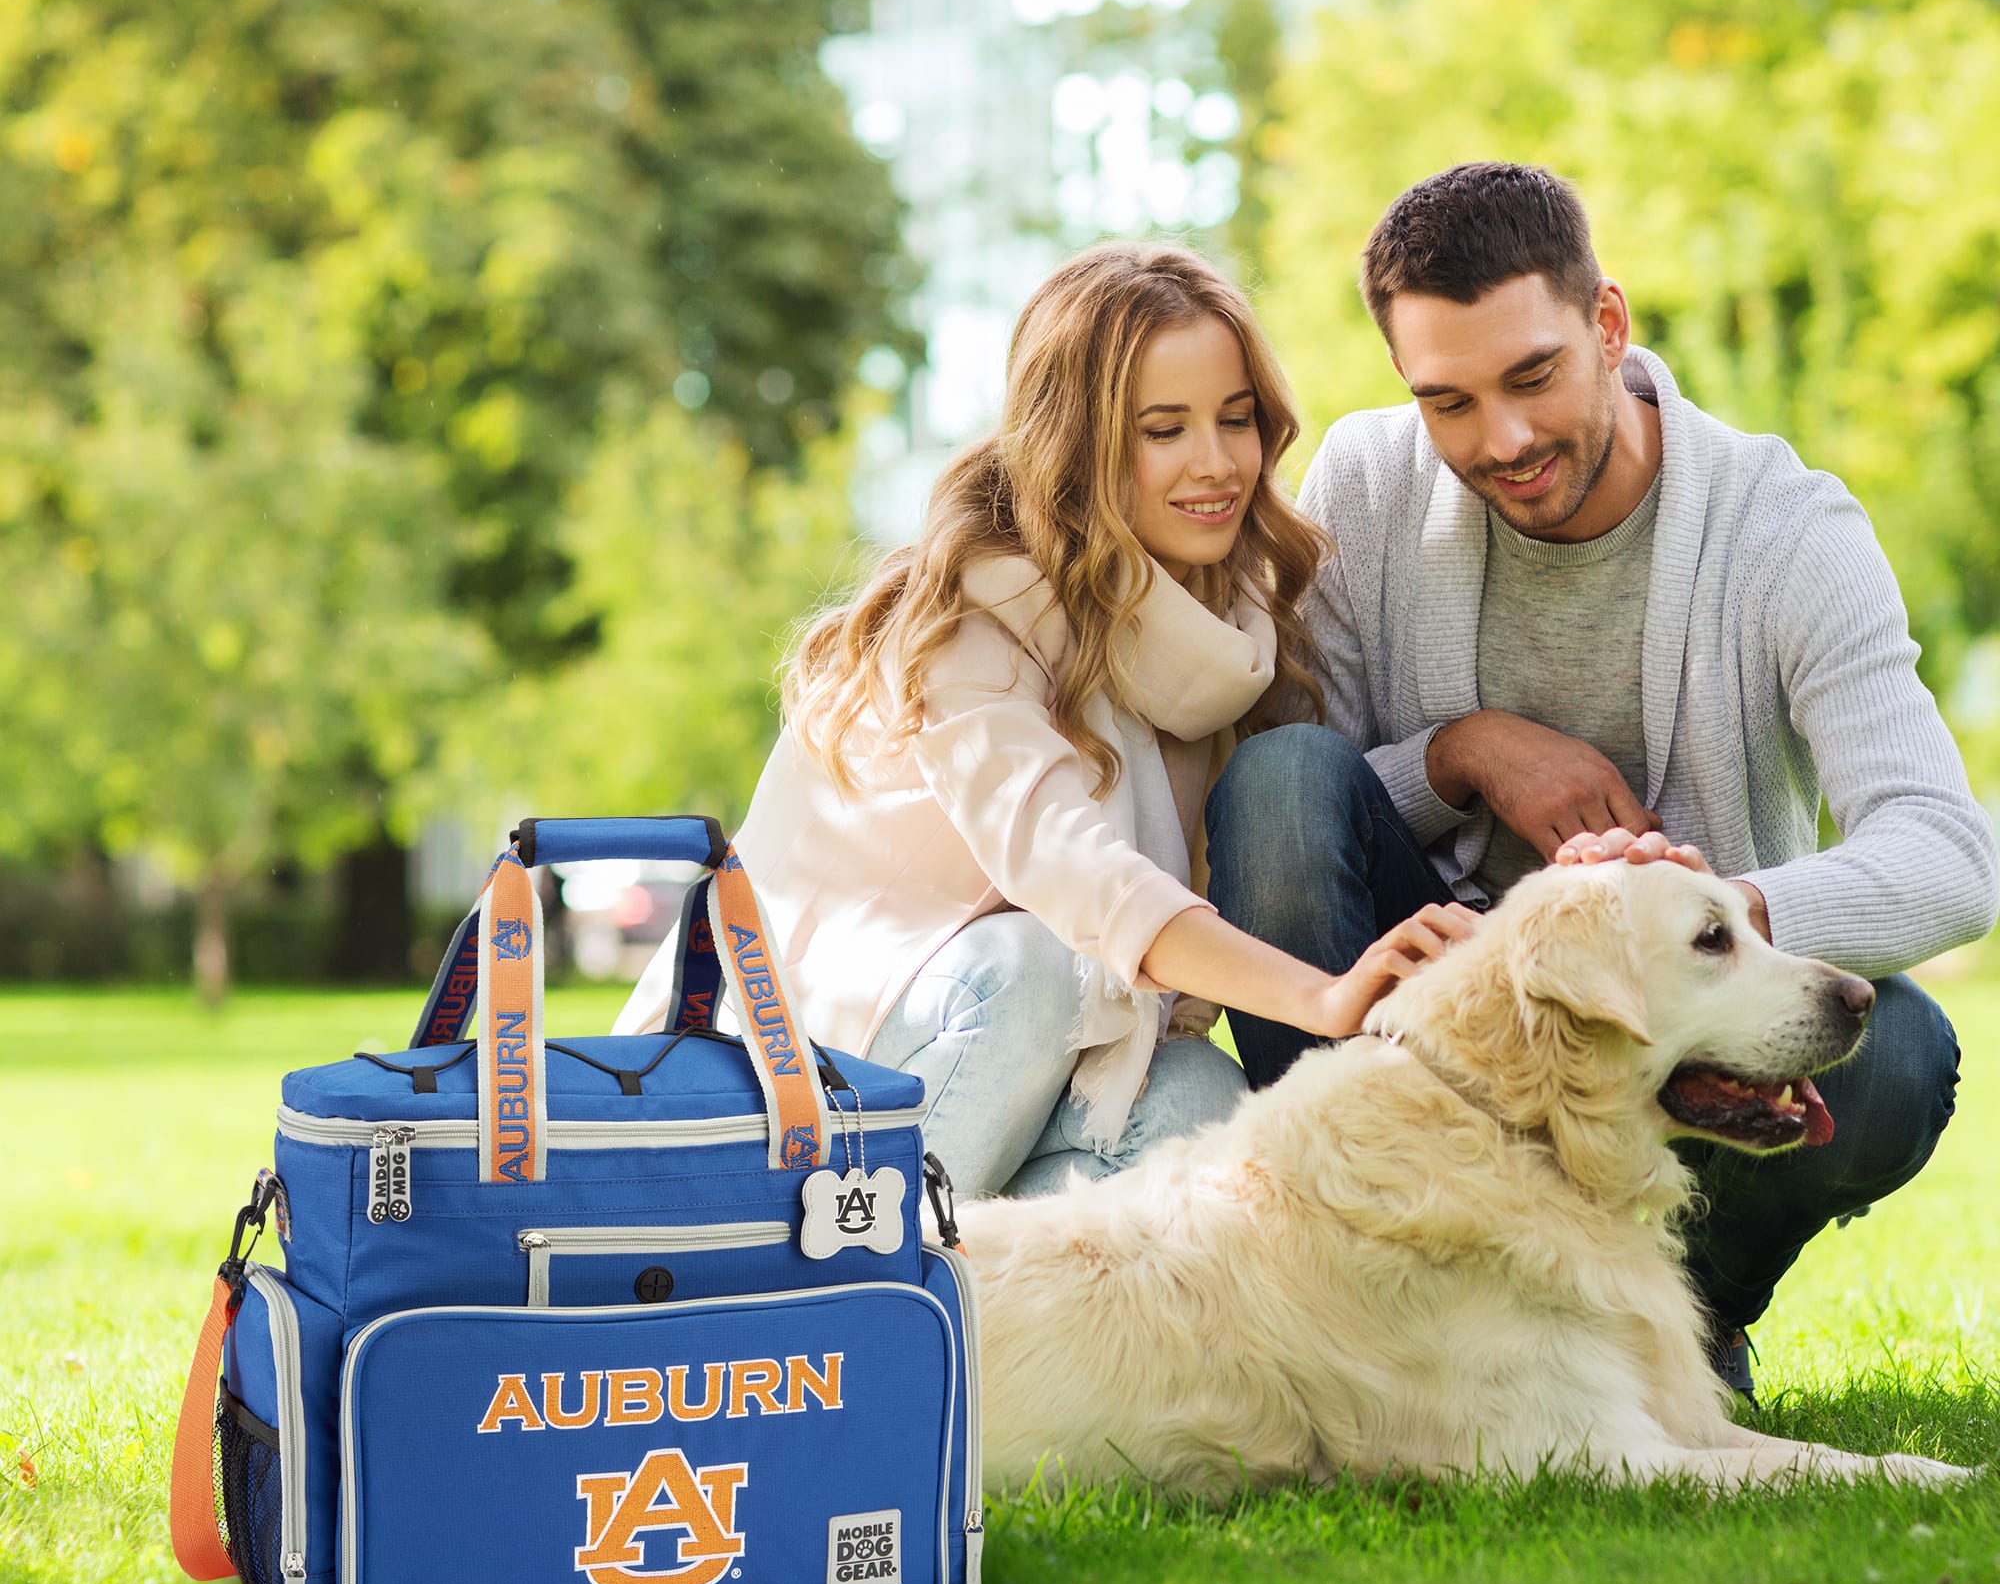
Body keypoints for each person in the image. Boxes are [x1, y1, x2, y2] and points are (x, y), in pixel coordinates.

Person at [1206, 161, 1998, 1392]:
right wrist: (1462, 750)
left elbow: (1949, 854)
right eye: (1447, 401)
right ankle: (1350, 1292)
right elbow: (1311, 801)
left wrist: (1705, 917)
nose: (1501, 440)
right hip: (1444, 1018)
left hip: (1672, 1027)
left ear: (1606, 326)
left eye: (1531, 377)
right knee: (1273, 782)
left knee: (1897, 1059)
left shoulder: (1788, 531)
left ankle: (1674, 1330)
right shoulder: (1361, 483)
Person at [618, 242, 1473, 1197]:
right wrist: (1321, 996)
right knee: (1029, 969)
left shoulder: (1229, 626)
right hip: (801, 1064)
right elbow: (1074, 871)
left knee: (1198, 1101)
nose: (1216, 463)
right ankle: (839, 1298)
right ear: (1079, 444)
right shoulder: (971, 614)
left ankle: (989, 1322)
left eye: (1236, 420)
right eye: (1163, 430)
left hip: (1030, 1063)